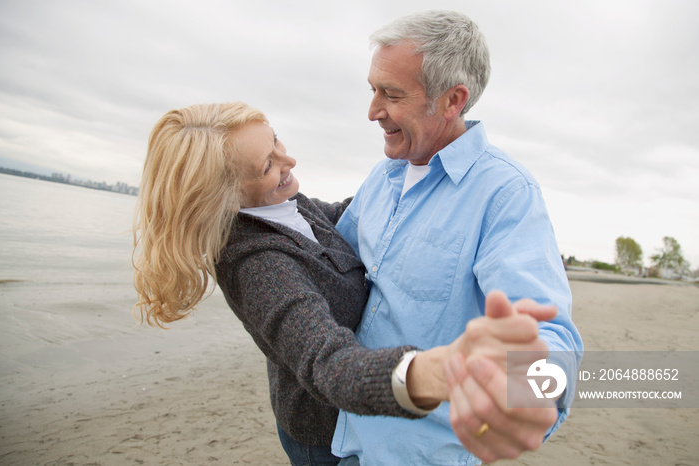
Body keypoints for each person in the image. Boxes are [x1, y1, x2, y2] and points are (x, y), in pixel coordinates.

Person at [132, 102, 556, 465]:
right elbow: (328, 364)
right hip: (324, 435)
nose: (288, 161)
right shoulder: (257, 264)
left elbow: (342, 219)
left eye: (276, 142)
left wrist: (439, 198)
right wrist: (430, 374)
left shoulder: (284, 205)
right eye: (268, 165)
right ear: (225, 196)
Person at [330, 10, 584, 465]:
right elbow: (335, 261)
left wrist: (523, 397)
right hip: (347, 440)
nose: (373, 111)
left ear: (452, 100)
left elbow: (551, 336)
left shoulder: (506, 194)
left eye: (391, 94)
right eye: (373, 89)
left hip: (424, 454)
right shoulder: (382, 176)